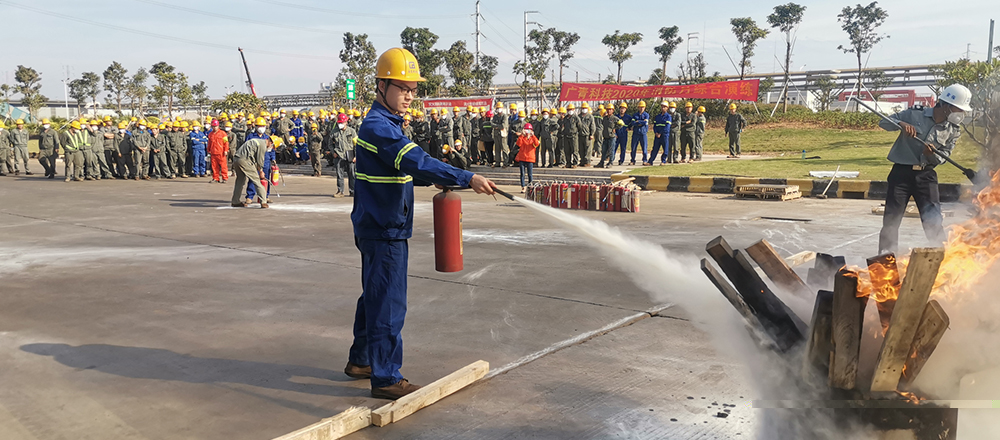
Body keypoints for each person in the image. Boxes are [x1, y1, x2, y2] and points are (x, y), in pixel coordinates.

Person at [347, 47, 496, 400]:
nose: (409, 96)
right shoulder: (379, 127)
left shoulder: (387, 123)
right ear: (381, 86)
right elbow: (415, 161)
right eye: (402, 88)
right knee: (389, 301)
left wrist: (436, 178)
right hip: (384, 228)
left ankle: (362, 360)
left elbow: (402, 169)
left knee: (375, 294)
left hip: (378, 223)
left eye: (413, 89)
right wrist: (466, 177)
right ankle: (386, 377)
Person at [877, 84, 970, 254]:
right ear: (946, 105)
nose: (961, 113)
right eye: (959, 109)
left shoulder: (953, 130)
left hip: (926, 176)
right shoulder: (914, 114)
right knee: (891, 221)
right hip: (901, 174)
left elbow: (944, 156)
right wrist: (901, 124)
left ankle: (942, 259)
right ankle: (885, 262)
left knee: (933, 221)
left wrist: (931, 155)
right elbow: (883, 122)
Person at [231, 135, 278, 208]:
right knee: (257, 181)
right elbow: (260, 160)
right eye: (273, 147)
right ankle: (263, 202)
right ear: (271, 143)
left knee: (240, 181)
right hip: (245, 160)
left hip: (237, 159)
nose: (272, 148)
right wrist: (261, 171)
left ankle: (235, 201)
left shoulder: (256, 141)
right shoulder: (262, 145)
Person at [330, 112, 357, 197]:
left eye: (342, 123)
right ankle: (340, 191)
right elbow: (330, 144)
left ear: (346, 122)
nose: (340, 124)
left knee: (352, 174)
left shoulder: (352, 131)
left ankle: (352, 191)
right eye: (339, 123)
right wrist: (333, 152)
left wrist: (356, 156)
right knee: (339, 174)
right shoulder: (334, 132)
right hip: (339, 155)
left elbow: (356, 145)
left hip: (350, 156)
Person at [515, 123, 539, 192]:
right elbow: (519, 144)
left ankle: (530, 186)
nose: (527, 131)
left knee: (530, 174)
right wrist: (521, 135)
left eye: (529, 130)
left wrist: (533, 136)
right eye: (526, 130)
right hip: (522, 158)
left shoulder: (533, 138)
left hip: (530, 158)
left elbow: (537, 144)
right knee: (522, 173)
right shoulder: (522, 137)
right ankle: (523, 186)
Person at [648, 101, 672, 166]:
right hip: (657, 135)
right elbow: (655, 126)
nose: (663, 108)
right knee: (655, 149)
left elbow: (667, 127)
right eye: (662, 106)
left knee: (665, 149)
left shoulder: (668, 117)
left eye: (664, 107)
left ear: (667, 108)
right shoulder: (657, 116)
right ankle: (650, 161)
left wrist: (660, 133)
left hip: (664, 135)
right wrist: (656, 132)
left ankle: (663, 161)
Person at [629, 101, 649, 166]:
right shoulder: (635, 115)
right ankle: (632, 160)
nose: (641, 108)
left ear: (645, 108)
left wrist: (638, 122)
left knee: (644, 148)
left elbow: (645, 123)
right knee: (633, 148)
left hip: (643, 133)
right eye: (640, 107)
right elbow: (633, 123)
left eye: (643, 107)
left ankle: (645, 160)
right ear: (638, 107)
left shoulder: (646, 115)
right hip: (636, 133)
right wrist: (641, 122)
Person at [491, 102, 509, 167]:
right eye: (497, 108)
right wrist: (498, 126)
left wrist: (496, 126)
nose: (498, 109)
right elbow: (491, 124)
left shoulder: (504, 116)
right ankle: (497, 162)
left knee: (504, 148)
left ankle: (505, 162)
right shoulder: (495, 116)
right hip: (496, 135)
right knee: (497, 149)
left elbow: (503, 125)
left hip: (503, 135)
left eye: (500, 108)